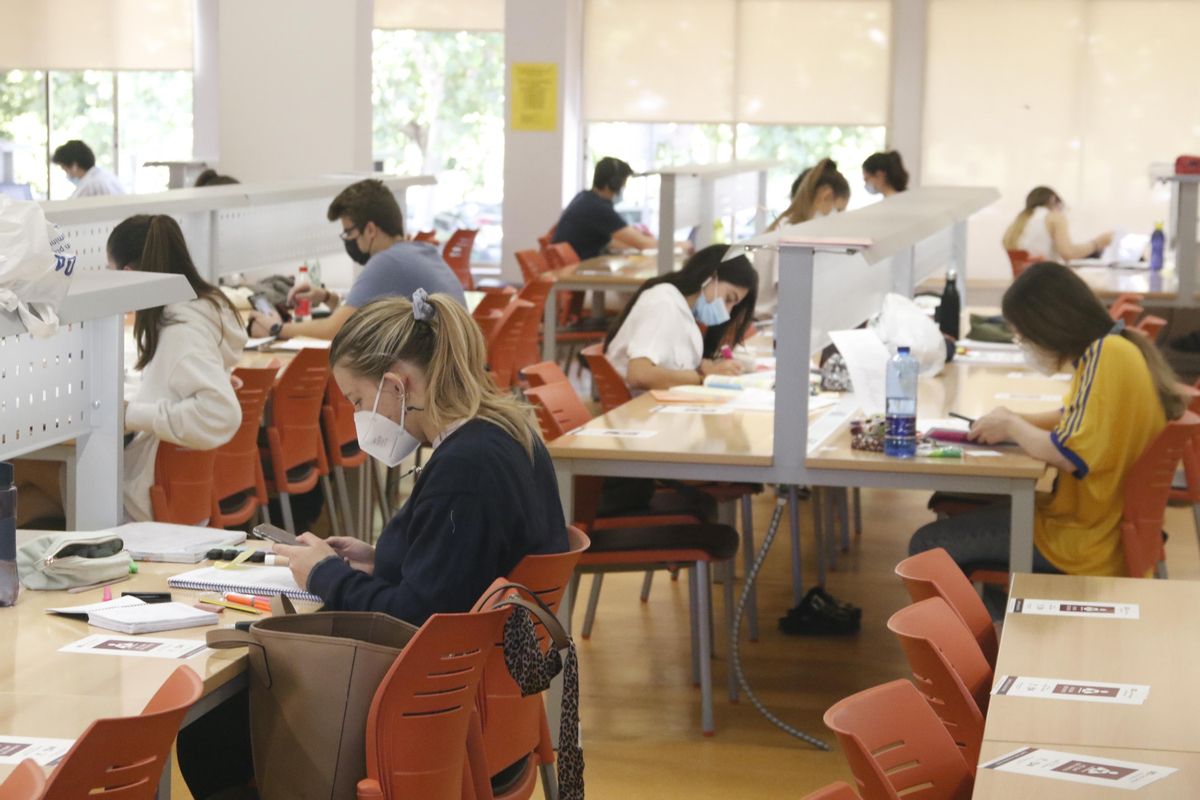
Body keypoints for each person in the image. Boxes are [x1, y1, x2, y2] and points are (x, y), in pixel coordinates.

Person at [272, 290, 569, 622]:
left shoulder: (466, 469)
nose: (358, 415)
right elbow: (458, 568)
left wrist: (325, 575)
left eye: (357, 400)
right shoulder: (508, 431)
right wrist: (381, 560)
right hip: (492, 651)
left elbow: (413, 617)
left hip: (449, 664)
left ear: (396, 387)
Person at [910, 262, 1184, 595]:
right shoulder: (1114, 348)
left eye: (1023, 333)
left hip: (1082, 541)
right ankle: (996, 629)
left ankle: (976, 639)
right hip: (1094, 529)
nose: (1023, 341)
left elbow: (1070, 454)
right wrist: (1012, 419)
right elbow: (1070, 415)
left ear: (1049, 324)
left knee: (927, 543)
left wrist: (1012, 423)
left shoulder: (1105, 354)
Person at [111, 215, 246, 522]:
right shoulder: (200, 312)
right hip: (174, 493)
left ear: (128, 274)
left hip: (147, 496)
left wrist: (131, 414)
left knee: (22, 479)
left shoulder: (180, 331)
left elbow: (222, 412)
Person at [248, 179, 465, 340]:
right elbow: (360, 316)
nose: (349, 241)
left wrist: (276, 328)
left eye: (349, 233)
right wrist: (327, 297)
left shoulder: (386, 262)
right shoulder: (422, 252)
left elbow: (338, 329)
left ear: (370, 229)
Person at [604, 244, 758, 391]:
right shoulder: (662, 301)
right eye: (729, 299)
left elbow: (670, 365)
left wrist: (706, 367)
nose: (727, 313)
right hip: (637, 412)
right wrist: (703, 378)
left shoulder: (683, 313)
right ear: (709, 277)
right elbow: (639, 375)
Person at [757, 159, 852, 313]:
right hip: (769, 321)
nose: (838, 217)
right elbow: (791, 292)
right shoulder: (791, 232)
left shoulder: (794, 227)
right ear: (826, 195)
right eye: (839, 209)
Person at [552, 156, 656, 260]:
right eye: (623, 183)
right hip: (574, 271)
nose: (623, 187)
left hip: (568, 268)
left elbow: (611, 242)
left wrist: (634, 245)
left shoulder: (585, 198)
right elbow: (644, 244)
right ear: (614, 183)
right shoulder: (597, 208)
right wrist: (668, 245)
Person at [1002, 186, 1114, 262]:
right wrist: (1098, 243)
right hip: (1046, 284)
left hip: (1023, 286)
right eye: (1062, 207)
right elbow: (1068, 254)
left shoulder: (1021, 220)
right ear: (1053, 199)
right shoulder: (1054, 216)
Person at [51, 140, 125, 198]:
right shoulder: (107, 176)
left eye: (64, 168)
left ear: (74, 166)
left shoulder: (92, 186)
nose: (66, 173)